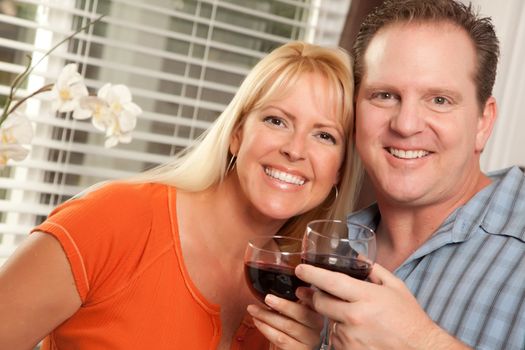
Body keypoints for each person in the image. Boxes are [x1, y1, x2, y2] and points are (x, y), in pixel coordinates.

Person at [0, 41, 363, 349]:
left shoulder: (298, 296)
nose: (295, 150)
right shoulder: (113, 219)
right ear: (237, 133)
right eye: (276, 120)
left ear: (339, 171)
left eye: (324, 136)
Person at [261, 0, 525, 349]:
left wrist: (422, 342)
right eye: (384, 95)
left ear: (483, 121)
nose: (405, 125)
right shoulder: (324, 244)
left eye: (439, 100)